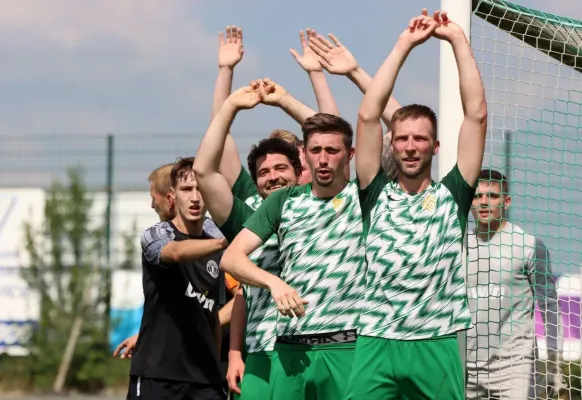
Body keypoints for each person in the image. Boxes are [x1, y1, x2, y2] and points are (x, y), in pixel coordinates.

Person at [345, 9, 487, 400]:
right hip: (377, 337)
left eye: (420, 139)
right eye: (403, 138)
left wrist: (457, 39)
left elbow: (476, 115)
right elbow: (368, 115)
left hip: (435, 340)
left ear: (435, 147)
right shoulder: (374, 191)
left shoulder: (453, 194)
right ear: (392, 144)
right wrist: (404, 44)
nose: (410, 146)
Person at [220, 110, 366, 400]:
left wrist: (287, 97)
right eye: (315, 150)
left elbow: (374, 121)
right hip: (286, 346)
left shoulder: (362, 197)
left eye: (331, 150)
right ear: (306, 156)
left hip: (347, 344)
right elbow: (232, 261)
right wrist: (274, 283)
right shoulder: (280, 203)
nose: (323, 158)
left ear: (349, 155)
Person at [193, 76, 319, 399]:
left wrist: (302, 87)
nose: (273, 176)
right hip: (263, 348)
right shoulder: (248, 212)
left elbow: (330, 135)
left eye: (283, 166)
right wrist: (230, 95)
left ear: (300, 167)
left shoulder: (325, 205)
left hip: (324, 344)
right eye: (263, 171)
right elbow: (207, 167)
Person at [126, 157, 229, 400]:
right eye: (186, 189)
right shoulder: (157, 234)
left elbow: (212, 316)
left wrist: (215, 367)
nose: (195, 197)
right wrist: (226, 241)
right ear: (172, 195)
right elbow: (176, 252)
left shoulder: (216, 246)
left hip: (205, 381)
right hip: (157, 375)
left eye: (201, 189)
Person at [466, 169, 565, 400]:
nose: (483, 202)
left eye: (492, 196)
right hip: (466, 368)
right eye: (477, 196)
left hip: (514, 368)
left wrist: (553, 361)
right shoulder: (458, 247)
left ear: (506, 201)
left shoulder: (529, 245)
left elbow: (550, 306)